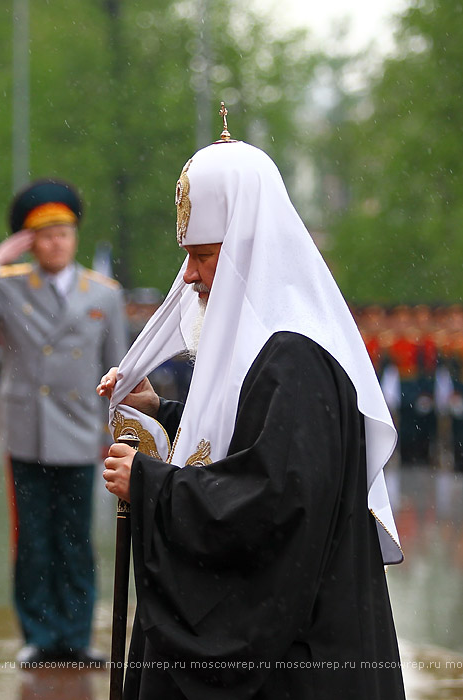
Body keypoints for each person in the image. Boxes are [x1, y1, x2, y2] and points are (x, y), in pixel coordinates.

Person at [98, 116, 406, 698]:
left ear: (248, 250)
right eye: (187, 256)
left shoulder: (294, 355)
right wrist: (165, 414)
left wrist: (151, 486)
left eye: (205, 256)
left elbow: (274, 503)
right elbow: (249, 436)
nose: (188, 276)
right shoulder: (270, 347)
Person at [0, 178, 128, 666]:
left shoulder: (103, 294)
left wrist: (119, 436)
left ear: (75, 237)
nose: (55, 242)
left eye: (63, 233)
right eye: (44, 235)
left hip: (80, 434)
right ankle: (40, 637)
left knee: (76, 541)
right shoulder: (8, 285)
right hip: (27, 434)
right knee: (33, 541)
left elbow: (118, 370)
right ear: (29, 240)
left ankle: (76, 635)